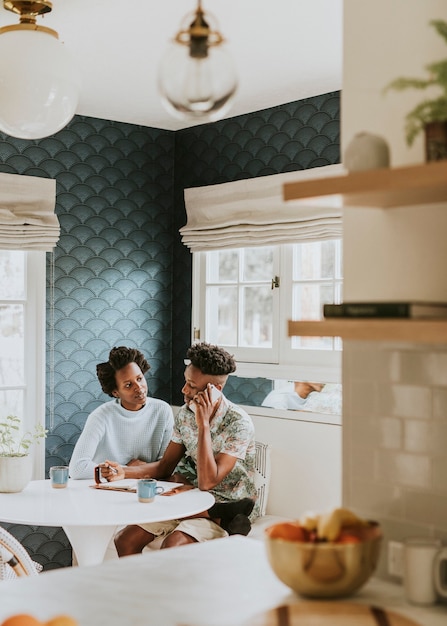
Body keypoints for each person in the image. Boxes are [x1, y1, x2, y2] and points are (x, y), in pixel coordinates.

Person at [102, 342, 258, 555]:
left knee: (172, 546)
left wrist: (203, 424)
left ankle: (220, 520)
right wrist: (123, 472)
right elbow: (166, 466)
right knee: (124, 540)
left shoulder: (238, 423)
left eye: (192, 386)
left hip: (226, 500)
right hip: (190, 498)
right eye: (186, 381)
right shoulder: (185, 414)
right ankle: (139, 589)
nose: (184, 390)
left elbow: (207, 481)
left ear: (215, 390)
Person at [69, 346, 174, 480]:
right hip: (105, 489)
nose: (139, 387)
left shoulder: (162, 410)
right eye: (128, 385)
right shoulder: (100, 417)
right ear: (115, 392)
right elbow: (77, 469)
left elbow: (167, 466)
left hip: (145, 487)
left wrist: (130, 471)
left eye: (139, 378)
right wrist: (128, 470)